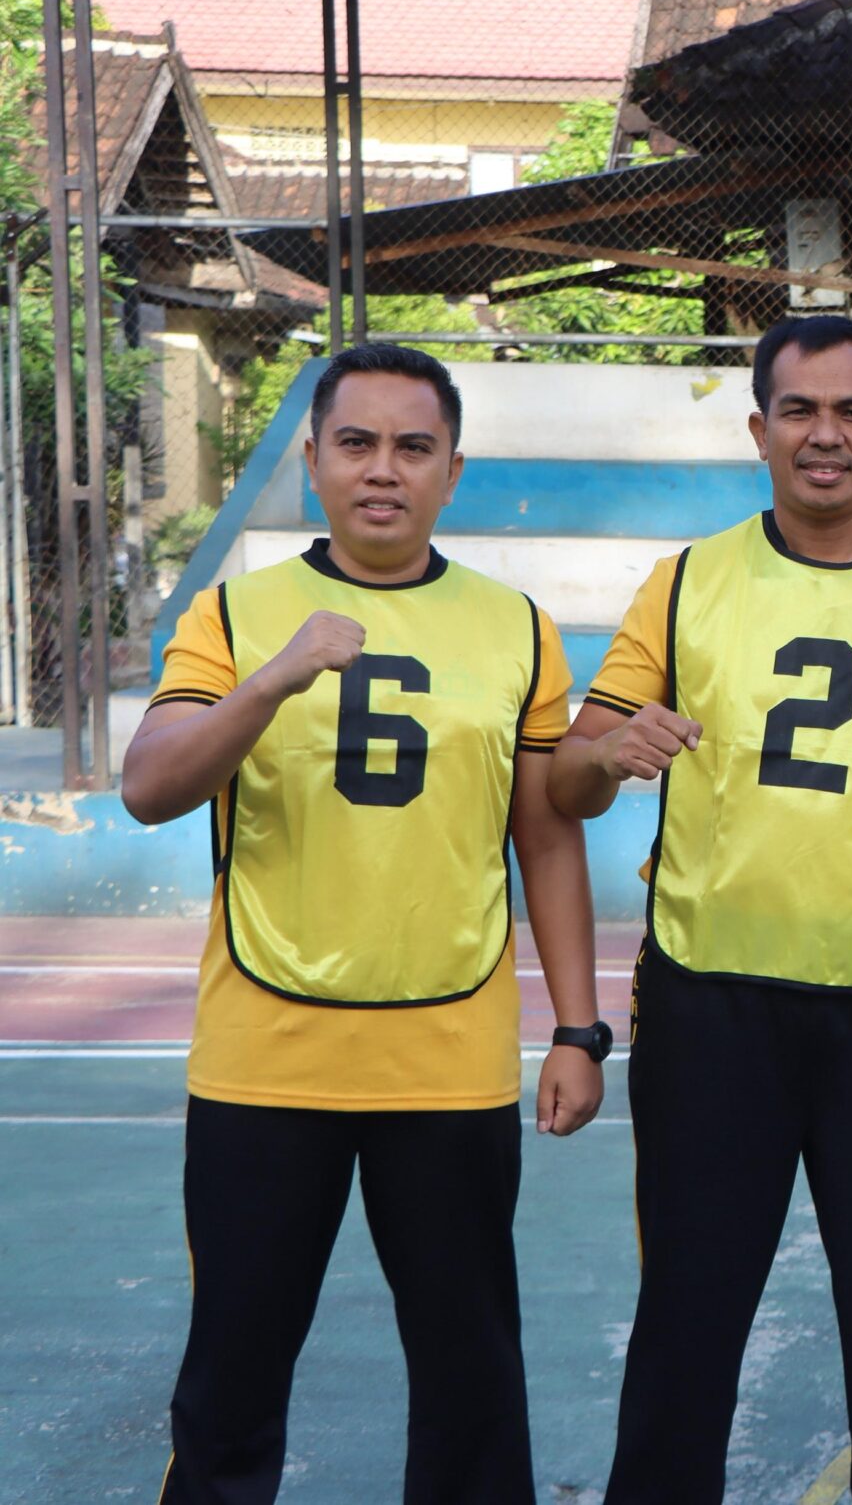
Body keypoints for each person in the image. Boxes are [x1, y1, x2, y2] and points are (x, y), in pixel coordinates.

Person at [125, 344, 604, 1505]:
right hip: (266, 1059)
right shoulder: (235, 615)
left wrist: (579, 1031)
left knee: (470, 1377)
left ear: (451, 471)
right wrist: (270, 679)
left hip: (447, 1060)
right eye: (356, 443)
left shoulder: (516, 627)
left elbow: (546, 838)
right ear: (313, 459)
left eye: (412, 447)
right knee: (232, 1378)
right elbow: (148, 787)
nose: (382, 469)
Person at [550, 314, 852, 1505]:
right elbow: (565, 776)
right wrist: (608, 753)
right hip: (709, 999)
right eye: (799, 410)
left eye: (851, 411)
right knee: (689, 1318)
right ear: (759, 429)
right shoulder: (688, 580)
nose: (824, 434)